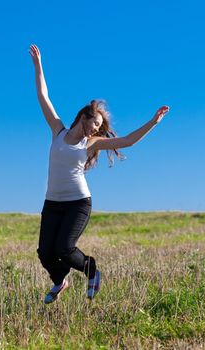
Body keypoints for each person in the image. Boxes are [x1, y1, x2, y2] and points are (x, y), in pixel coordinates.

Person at [29, 44, 169, 304]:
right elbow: (43, 96)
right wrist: (38, 65)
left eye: (98, 127)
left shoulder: (91, 143)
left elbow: (127, 141)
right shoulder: (57, 130)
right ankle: (61, 281)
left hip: (77, 203)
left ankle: (92, 271)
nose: (94, 130)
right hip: (52, 203)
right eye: (93, 123)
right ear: (83, 116)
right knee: (45, 252)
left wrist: (153, 122)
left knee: (64, 248)